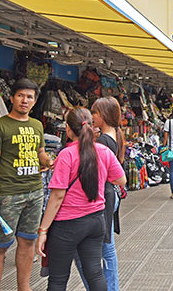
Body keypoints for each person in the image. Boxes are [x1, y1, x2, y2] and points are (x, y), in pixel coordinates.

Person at [36, 108, 126, 291]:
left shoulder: (66, 155)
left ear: (68, 129)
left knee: (58, 280)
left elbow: (57, 196)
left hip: (66, 226)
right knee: (95, 274)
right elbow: (121, 179)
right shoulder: (103, 151)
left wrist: (43, 229)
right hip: (95, 221)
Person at [0, 78, 52, 291]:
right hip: (8, 195)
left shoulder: (37, 125)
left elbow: (40, 153)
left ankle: (24, 288)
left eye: (29, 97)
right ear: (12, 98)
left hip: (34, 191)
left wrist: (50, 161)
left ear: (34, 101)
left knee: (27, 243)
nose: (25, 100)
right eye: (21, 95)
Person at [74, 97, 125, 291]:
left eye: (94, 113)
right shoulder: (114, 135)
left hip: (105, 195)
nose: (92, 116)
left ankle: (108, 287)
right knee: (107, 246)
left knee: (105, 248)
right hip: (111, 194)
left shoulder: (104, 140)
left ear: (103, 114)